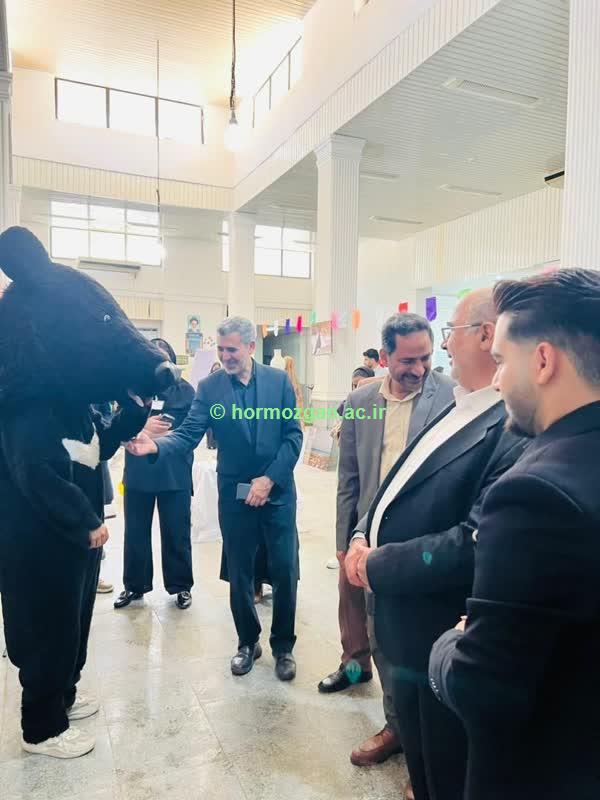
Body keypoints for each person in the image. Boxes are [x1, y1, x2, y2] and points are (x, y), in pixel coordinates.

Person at [345, 289, 527, 800]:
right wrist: (357, 533)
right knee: (415, 730)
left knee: (442, 758)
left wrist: (378, 563)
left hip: (432, 617)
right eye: (410, 358)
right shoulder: (383, 403)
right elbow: (375, 478)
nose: (438, 353)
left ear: (487, 336)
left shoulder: (502, 422)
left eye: (448, 335)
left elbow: (471, 541)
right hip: (389, 589)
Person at [429, 270, 600, 800]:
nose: (498, 381)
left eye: (502, 360)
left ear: (543, 360)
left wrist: (451, 643)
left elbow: (482, 689)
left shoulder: (533, 494)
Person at [126, 317, 303, 681]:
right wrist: (156, 445)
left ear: (251, 347)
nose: (226, 357)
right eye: (221, 350)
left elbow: (292, 436)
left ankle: (283, 646)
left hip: (277, 491)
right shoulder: (209, 388)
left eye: (232, 349)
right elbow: (189, 433)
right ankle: (247, 642)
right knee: (240, 570)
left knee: (285, 570)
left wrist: (269, 479)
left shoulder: (279, 382)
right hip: (235, 492)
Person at [319, 314, 455, 775]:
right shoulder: (361, 402)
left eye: (425, 358)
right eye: (407, 361)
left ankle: (432, 749)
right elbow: (349, 478)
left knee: (429, 641)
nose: (419, 369)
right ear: (384, 357)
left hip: (429, 541)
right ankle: (398, 728)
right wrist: (344, 540)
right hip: (371, 542)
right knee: (383, 640)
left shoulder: (451, 396)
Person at [115, 338, 196, 610]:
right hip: (138, 474)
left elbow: (191, 431)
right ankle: (134, 586)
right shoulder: (130, 391)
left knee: (177, 533)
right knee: (135, 533)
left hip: (174, 474)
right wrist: (142, 427)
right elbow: (117, 427)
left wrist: (161, 437)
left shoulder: (186, 391)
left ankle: (181, 586)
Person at [206, 361, 222, 450]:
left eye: (218, 369)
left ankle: (215, 443)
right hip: (210, 404)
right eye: (215, 369)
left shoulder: (223, 379)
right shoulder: (208, 380)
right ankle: (209, 443)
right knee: (209, 426)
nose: (216, 371)